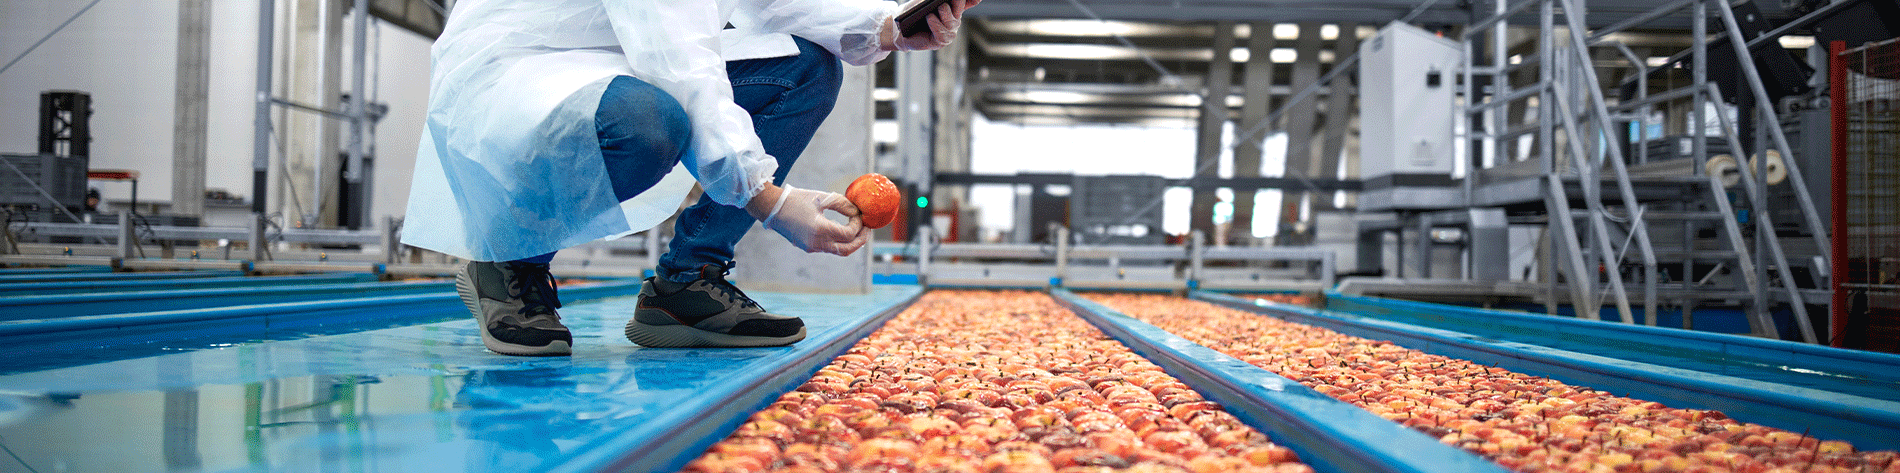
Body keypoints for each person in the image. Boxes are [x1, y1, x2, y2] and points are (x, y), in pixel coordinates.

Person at [403, 0, 976, 356]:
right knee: (647, 127)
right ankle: (510, 259)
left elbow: (774, 3)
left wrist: (886, 28)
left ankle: (686, 283)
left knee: (806, 67)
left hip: (622, 58)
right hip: (525, 68)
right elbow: (679, 62)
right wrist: (768, 199)